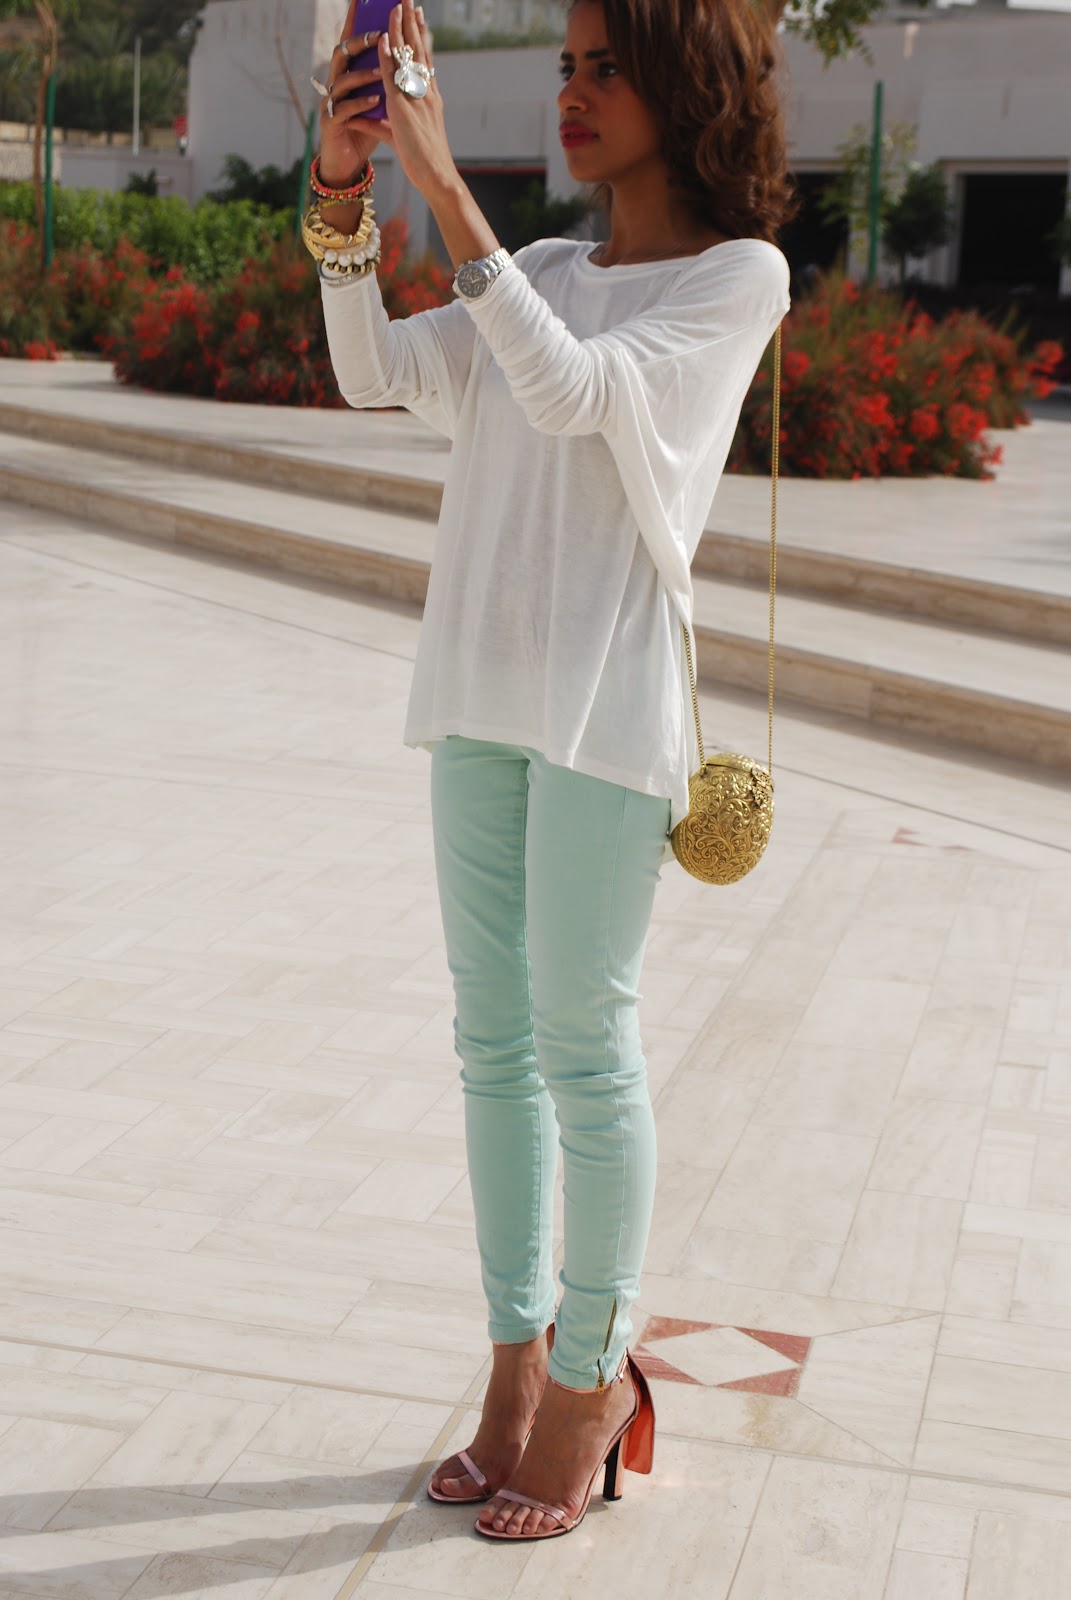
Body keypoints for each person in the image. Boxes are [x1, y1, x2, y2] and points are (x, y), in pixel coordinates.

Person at [314, 0, 794, 1542]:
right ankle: (514, 1360)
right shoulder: (550, 270)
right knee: (491, 1045)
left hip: (606, 709)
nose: (575, 93)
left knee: (584, 1044)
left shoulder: (737, 279)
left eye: (606, 69)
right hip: (481, 692)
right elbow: (371, 371)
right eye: (569, 67)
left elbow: (579, 393)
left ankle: (593, 1379)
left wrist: (447, 192)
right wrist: (344, 193)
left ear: (687, 85)